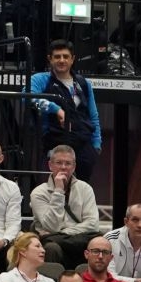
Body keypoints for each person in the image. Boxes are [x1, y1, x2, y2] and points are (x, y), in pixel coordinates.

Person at [27, 40, 101, 182]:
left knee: (80, 192)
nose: (62, 60)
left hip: (84, 145)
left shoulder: (83, 83)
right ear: (50, 59)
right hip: (54, 142)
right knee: (56, 187)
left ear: (72, 59)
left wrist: (96, 145)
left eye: (66, 56)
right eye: (57, 56)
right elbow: (28, 97)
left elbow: (93, 115)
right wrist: (57, 109)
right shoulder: (40, 79)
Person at [29, 144, 102, 268]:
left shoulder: (85, 188)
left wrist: (61, 233)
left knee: (100, 243)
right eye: (59, 163)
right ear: (50, 165)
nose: (63, 167)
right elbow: (52, 226)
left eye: (68, 163)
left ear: (74, 167)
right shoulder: (38, 193)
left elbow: (92, 223)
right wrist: (58, 191)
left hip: (77, 240)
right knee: (51, 247)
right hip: (55, 244)